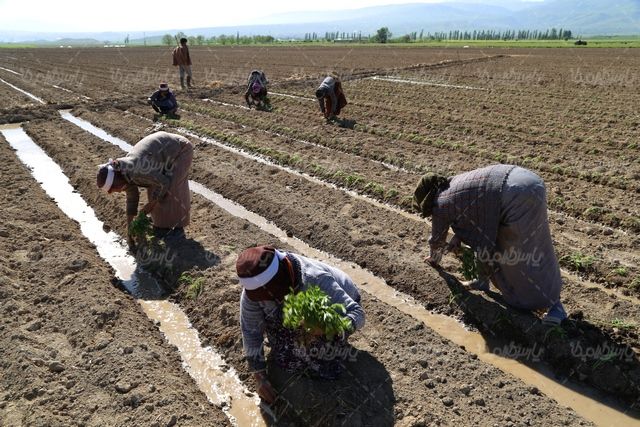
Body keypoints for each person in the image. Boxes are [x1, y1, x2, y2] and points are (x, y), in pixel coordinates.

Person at [412, 165, 567, 325]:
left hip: (515, 196)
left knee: (517, 257)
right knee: (535, 245)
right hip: (526, 181)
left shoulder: (439, 203)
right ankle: (482, 282)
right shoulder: (452, 186)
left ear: (427, 199)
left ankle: (554, 307)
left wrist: (434, 259)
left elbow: (437, 240)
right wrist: (459, 235)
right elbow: (476, 217)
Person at [237, 245, 365, 404]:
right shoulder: (254, 293)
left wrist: (326, 328)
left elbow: (358, 314)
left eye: (276, 293)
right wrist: (259, 377)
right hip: (299, 316)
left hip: (340, 305)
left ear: (284, 274)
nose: (272, 298)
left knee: (317, 353)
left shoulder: (314, 278)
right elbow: (251, 331)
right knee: (285, 347)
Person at [96, 131, 194, 248]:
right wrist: (129, 230)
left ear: (116, 181)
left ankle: (178, 229)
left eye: (114, 189)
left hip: (180, 150)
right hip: (160, 157)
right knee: (154, 190)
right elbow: (132, 200)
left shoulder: (136, 169)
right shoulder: (124, 174)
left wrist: (151, 204)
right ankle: (162, 227)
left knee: (171, 189)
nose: (117, 191)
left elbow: (164, 182)